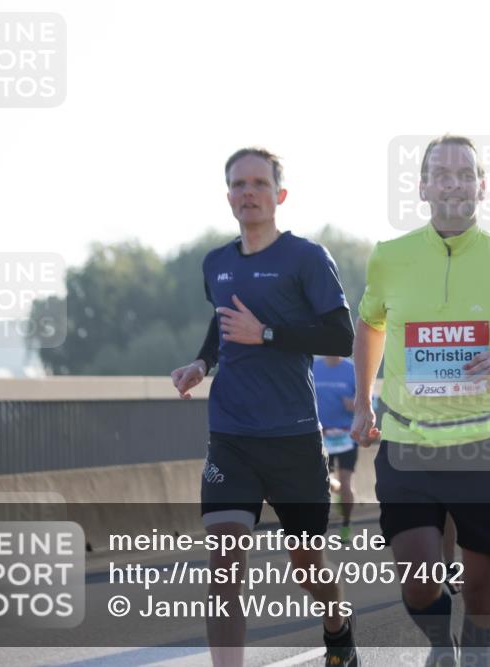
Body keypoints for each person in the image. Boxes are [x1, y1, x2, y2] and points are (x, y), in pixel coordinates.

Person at [350, 135, 490, 667]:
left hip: (486, 444)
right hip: (408, 444)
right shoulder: (389, 258)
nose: (453, 182)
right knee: (420, 585)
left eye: (465, 173)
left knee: (482, 594)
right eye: (440, 173)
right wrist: (361, 402)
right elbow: (370, 324)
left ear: (482, 188)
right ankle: (440, 647)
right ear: (422, 188)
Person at [170, 148, 359, 667]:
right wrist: (202, 364)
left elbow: (341, 336)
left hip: (295, 437)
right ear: (228, 195)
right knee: (225, 564)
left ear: (280, 195)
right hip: (231, 437)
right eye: (237, 184)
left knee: (305, 564)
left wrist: (268, 333)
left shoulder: (307, 258)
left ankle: (337, 624)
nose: (247, 193)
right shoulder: (217, 264)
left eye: (258, 183)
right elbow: (222, 322)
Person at [314, 355, 359, 541]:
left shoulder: (353, 370)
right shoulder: (313, 367)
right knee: (322, 482)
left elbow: (369, 402)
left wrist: (354, 404)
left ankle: (346, 524)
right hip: (320, 435)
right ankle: (337, 489)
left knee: (346, 481)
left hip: (346, 435)